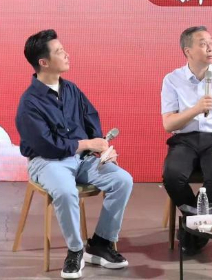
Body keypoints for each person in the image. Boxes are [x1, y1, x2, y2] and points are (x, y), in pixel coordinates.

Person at [16, 30, 133, 279]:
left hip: (82, 159)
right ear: (43, 62)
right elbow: (48, 146)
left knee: (122, 180)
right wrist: (87, 143)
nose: (66, 54)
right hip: (47, 161)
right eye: (59, 51)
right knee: (65, 191)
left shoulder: (72, 90)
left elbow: (91, 120)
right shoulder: (29, 103)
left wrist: (102, 148)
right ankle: (75, 250)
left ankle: (100, 243)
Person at [161, 26, 212, 255]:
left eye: (211, 43)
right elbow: (169, 124)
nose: (210, 48)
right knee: (172, 176)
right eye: (203, 44)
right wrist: (196, 109)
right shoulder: (172, 79)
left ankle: (192, 228)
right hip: (185, 140)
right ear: (187, 51)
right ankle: (196, 223)